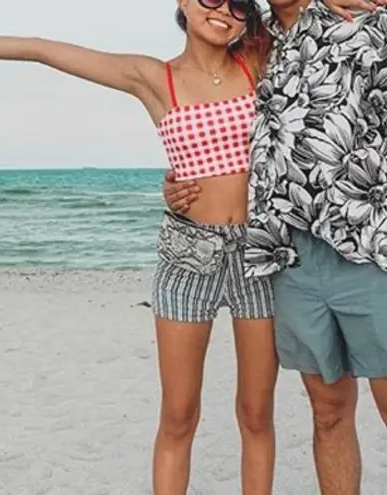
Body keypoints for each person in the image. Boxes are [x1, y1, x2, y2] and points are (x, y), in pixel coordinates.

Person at [163, 0, 387, 493]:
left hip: (370, 248)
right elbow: (219, 126)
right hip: (289, 259)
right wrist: (179, 182)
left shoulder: (365, 19)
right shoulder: (254, 47)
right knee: (329, 411)